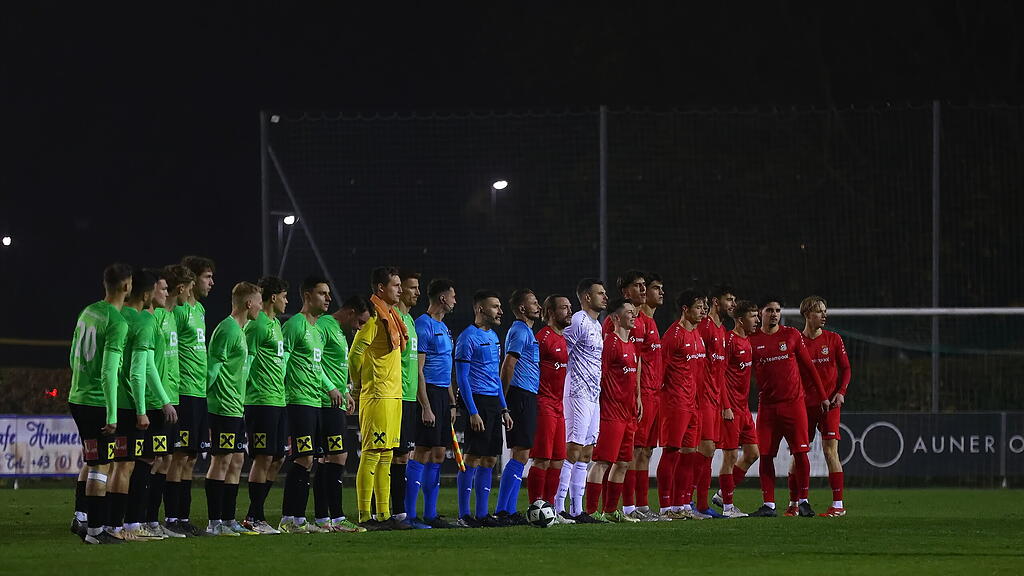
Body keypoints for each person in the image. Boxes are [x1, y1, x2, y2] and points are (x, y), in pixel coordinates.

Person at [747, 298, 829, 518]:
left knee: (801, 452)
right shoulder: (752, 340)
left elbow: (809, 367)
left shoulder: (791, 335)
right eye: (769, 310)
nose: (774, 314)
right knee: (765, 455)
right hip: (768, 408)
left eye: (777, 310)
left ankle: (803, 501)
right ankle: (769, 505)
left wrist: (822, 396)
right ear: (761, 314)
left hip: (794, 405)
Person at [69, 263, 132, 544]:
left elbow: (73, 355)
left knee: (91, 459)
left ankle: (81, 518)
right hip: (97, 402)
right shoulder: (116, 322)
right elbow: (109, 370)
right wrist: (112, 411)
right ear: (126, 287)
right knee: (101, 466)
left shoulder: (88, 311)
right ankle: (96, 531)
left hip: (78, 397)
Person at [278, 277, 343, 533]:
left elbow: (316, 368)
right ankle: (289, 518)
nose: (328, 298)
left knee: (311, 459)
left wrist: (331, 387)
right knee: (303, 458)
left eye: (328, 293)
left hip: (315, 401)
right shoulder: (295, 325)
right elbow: (282, 362)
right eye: (322, 293)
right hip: (298, 401)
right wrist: (280, 393)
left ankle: (298, 519)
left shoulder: (316, 330)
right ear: (307, 295)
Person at [349, 267, 410, 530]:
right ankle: (365, 515)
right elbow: (354, 354)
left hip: (392, 395)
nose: (400, 289)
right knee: (372, 454)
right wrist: (357, 385)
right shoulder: (374, 319)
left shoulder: (392, 317)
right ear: (380, 289)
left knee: (386, 455)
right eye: (395, 285)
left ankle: (383, 515)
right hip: (377, 395)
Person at [123, 269, 178, 540]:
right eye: (163, 288)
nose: (167, 293)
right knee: (141, 462)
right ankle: (133, 522)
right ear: (148, 292)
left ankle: (139, 521)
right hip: (148, 402)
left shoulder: (142, 318)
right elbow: (144, 369)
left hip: (147, 400)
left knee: (146, 461)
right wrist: (162, 401)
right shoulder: (144, 320)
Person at [205, 282, 263, 536]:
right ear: (248, 303)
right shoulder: (227, 329)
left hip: (236, 407)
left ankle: (228, 519)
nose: (261, 306)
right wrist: (204, 406)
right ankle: (214, 522)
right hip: (223, 408)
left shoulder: (241, 330)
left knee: (237, 459)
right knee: (222, 461)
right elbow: (211, 371)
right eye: (259, 301)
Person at [106, 269, 160, 540]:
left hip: (110, 401)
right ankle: (120, 526)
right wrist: (142, 410)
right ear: (147, 294)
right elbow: (138, 372)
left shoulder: (114, 316)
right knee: (125, 466)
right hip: (129, 405)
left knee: (112, 465)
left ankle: (107, 523)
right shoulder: (144, 322)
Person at [454, 290, 513, 527]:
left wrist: (504, 408)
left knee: (489, 459)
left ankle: (482, 514)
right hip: (476, 401)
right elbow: (462, 378)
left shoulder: (495, 336)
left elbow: (496, 377)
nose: (500, 311)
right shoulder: (467, 337)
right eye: (495, 307)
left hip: (492, 403)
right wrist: (472, 411)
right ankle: (464, 514)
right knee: (472, 457)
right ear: (480, 309)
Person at [167, 255, 215, 537]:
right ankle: (172, 517)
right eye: (207, 277)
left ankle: (182, 518)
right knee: (178, 455)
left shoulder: (201, 311)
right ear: (192, 280)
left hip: (199, 392)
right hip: (182, 390)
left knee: (190, 458)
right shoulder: (178, 311)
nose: (211, 282)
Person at [143, 265, 190, 538]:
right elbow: (148, 363)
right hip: (156, 400)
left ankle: (151, 520)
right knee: (151, 460)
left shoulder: (171, 316)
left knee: (164, 458)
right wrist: (161, 399)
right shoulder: (156, 317)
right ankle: (141, 520)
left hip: (171, 397)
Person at [554, 278, 607, 523]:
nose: (605, 297)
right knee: (573, 449)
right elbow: (561, 352)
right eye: (600, 293)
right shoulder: (578, 321)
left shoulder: (597, 325)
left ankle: (577, 510)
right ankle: (558, 507)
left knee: (586, 453)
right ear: (587, 297)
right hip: (576, 393)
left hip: (593, 395)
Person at [584, 299, 641, 523]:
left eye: (633, 312)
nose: (633, 315)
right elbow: (601, 375)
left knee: (624, 463)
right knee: (603, 462)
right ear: (616, 318)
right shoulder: (610, 343)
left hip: (628, 414)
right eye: (629, 312)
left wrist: (637, 400)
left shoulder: (632, 345)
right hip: (611, 413)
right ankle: (591, 511)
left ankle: (610, 511)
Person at [241, 276, 289, 534]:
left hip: (278, 400)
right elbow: (245, 362)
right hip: (260, 401)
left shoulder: (275, 324)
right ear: (273, 297)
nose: (286, 301)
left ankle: (256, 514)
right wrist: (241, 396)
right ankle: (253, 516)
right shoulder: (257, 325)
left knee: (278, 458)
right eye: (284, 296)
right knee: (263, 457)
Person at [410, 279, 459, 529]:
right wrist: (426, 406)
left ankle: (431, 514)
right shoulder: (423, 325)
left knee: (438, 453)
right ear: (442, 298)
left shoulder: (444, 328)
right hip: (427, 393)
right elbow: (418, 370)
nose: (454, 300)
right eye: (452, 296)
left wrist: (451, 400)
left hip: (442, 395)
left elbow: (446, 365)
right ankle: (409, 514)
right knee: (422, 451)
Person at [314, 292, 363, 533]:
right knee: (337, 457)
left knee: (327, 459)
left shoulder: (339, 331)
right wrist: (332, 389)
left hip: (336, 401)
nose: (359, 327)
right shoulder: (324, 326)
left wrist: (345, 392)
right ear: (351, 312)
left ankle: (323, 518)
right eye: (359, 322)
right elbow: (316, 361)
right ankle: (335, 517)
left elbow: (336, 366)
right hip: (325, 402)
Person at [657, 289, 707, 519]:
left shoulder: (697, 335)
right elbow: (660, 372)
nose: (703, 311)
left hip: (693, 404)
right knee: (672, 452)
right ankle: (666, 507)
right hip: (675, 403)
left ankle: (682, 505)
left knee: (690, 453)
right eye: (698, 306)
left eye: (704, 306)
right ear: (685, 309)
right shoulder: (673, 335)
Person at [799, 295, 851, 517]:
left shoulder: (834, 339)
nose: (824, 315)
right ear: (807, 314)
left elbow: (846, 369)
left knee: (831, 452)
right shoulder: (797, 342)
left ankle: (838, 505)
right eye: (819, 311)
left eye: (825, 311)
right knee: (799, 453)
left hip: (830, 405)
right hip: (805, 406)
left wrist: (840, 393)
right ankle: (796, 503)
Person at [526, 295, 575, 524]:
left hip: (558, 405)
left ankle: (550, 510)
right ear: (551, 312)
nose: (569, 311)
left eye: (569, 307)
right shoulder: (542, 338)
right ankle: (536, 508)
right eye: (564, 308)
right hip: (543, 403)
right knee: (542, 459)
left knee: (558, 460)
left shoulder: (562, 339)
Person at [495, 289, 542, 525]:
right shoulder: (520, 331)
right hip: (520, 395)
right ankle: (505, 510)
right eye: (533, 302)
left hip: (526, 395)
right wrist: (502, 401)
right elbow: (508, 365)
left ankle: (506, 510)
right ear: (522, 308)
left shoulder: (526, 331)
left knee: (521, 453)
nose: (538, 306)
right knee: (520, 453)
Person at [713, 299, 760, 518]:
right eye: (753, 316)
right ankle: (728, 507)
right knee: (730, 457)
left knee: (752, 453)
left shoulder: (748, 342)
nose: (757, 320)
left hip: (744, 408)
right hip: (730, 408)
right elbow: (720, 375)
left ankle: (723, 493)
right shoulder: (730, 341)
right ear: (740, 320)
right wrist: (725, 406)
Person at [692, 284, 736, 518]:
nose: (733, 304)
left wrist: (725, 403)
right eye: (729, 299)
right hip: (702, 397)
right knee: (704, 448)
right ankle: (687, 501)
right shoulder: (705, 327)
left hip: (716, 398)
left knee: (709, 451)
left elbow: (720, 372)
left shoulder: (721, 331)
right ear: (716, 302)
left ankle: (700, 504)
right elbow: (697, 363)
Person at [393, 270, 427, 528]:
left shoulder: (410, 320)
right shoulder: (393, 318)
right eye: (412, 287)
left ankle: (400, 513)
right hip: (395, 395)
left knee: (405, 454)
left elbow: (415, 367)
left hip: (409, 397)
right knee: (394, 456)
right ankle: (392, 513)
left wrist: (422, 402)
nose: (417, 292)